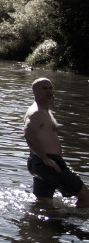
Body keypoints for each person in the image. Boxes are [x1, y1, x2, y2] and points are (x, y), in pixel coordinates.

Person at [24, 77, 89, 207]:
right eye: (44, 88)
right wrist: (45, 159)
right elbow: (28, 134)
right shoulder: (36, 113)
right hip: (47, 162)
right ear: (35, 92)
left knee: (44, 203)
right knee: (87, 198)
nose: (49, 91)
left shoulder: (45, 111)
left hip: (42, 163)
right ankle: (71, 223)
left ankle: (42, 224)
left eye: (50, 88)